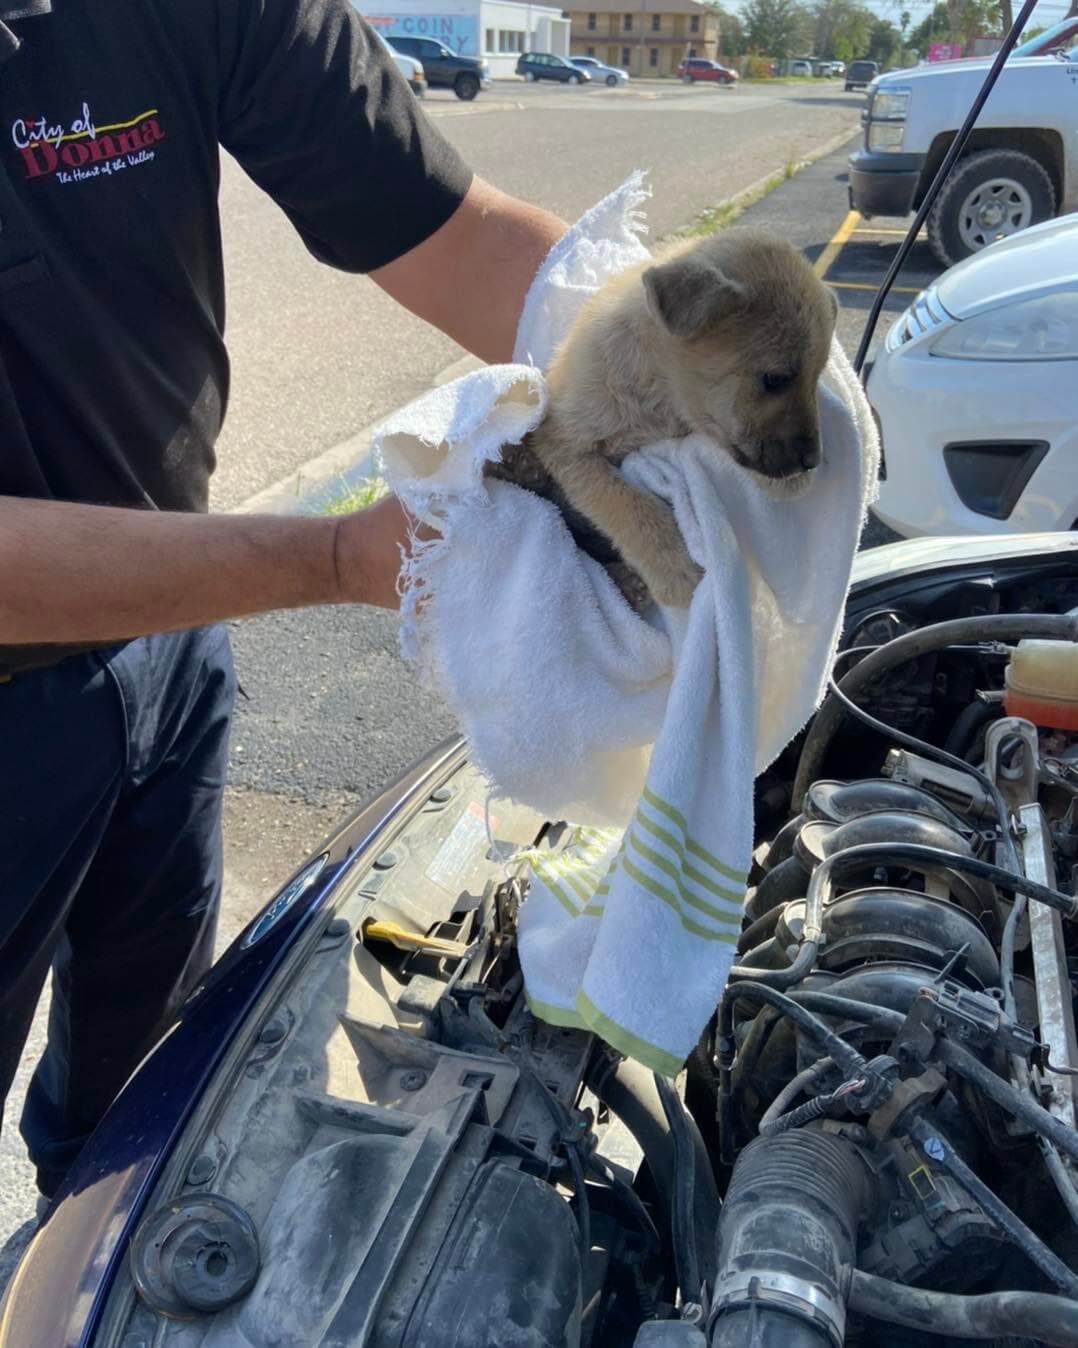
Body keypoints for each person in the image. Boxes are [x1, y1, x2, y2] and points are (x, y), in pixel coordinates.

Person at [0, 0, 566, 1200]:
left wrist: (705, 344)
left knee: (141, 1093)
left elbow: (457, 236)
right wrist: (332, 559)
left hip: (172, 629)